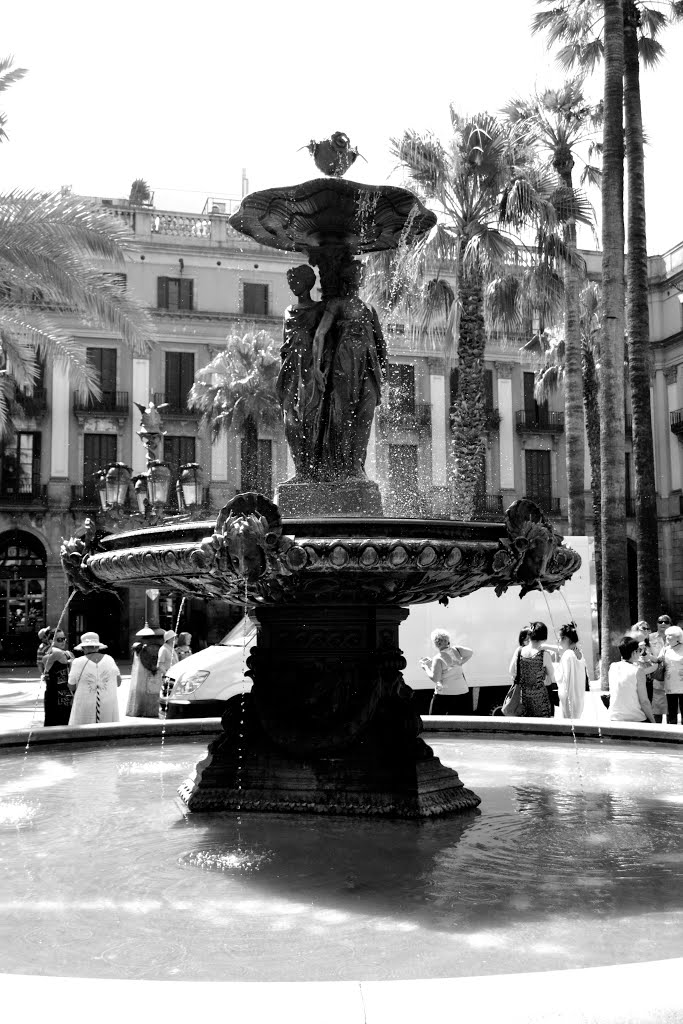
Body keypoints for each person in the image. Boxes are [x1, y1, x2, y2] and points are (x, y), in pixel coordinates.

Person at [276, 264, 323, 480]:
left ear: (307, 282)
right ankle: (300, 470)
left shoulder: (319, 310)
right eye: (290, 282)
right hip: (291, 369)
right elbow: (284, 343)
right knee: (289, 420)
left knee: (312, 420)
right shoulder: (288, 311)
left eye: (295, 281)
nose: (292, 285)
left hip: (311, 370)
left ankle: (313, 469)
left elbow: (324, 341)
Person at [68, 632, 121, 725]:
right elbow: (118, 682)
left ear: (83, 648)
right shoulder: (109, 659)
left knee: (85, 732)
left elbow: (71, 686)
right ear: (97, 647)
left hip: (85, 705)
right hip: (107, 704)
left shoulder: (77, 662)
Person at [419, 629, 473, 715]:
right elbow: (470, 652)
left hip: (444, 693)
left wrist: (426, 667)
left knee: (434, 722)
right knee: (458, 722)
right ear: (448, 641)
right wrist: (461, 662)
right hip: (462, 691)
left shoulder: (438, 658)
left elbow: (435, 678)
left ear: (436, 644)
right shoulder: (457, 650)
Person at [507, 621, 555, 717]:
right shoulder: (544, 654)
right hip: (540, 699)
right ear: (544, 637)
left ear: (530, 635)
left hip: (522, 698)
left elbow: (512, 671)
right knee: (542, 727)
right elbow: (552, 675)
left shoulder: (519, 651)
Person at [608, 635, 655, 723]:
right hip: (635, 718)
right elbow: (644, 701)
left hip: (614, 717)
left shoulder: (613, 667)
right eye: (639, 650)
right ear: (634, 652)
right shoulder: (638, 671)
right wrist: (653, 722)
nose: (640, 653)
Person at [42, 630, 74, 727]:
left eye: (64, 639)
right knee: (51, 727)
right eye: (59, 639)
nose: (63, 641)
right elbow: (61, 658)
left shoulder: (69, 654)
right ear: (51, 641)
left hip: (68, 697)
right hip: (53, 698)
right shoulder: (48, 656)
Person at [557, 622, 586, 720]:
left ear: (566, 639)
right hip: (578, 698)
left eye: (559, 639)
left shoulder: (567, 655)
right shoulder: (578, 653)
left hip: (569, 699)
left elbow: (565, 680)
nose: (559, 642)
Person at [658, 625, 683, 725]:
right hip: (670, 685)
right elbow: (658, 660)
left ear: (678, 637)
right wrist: (646, 655)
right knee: (671, 712)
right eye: (666, 635)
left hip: (682, 684)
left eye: (670, 635)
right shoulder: (665, 649)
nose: (667, 637)